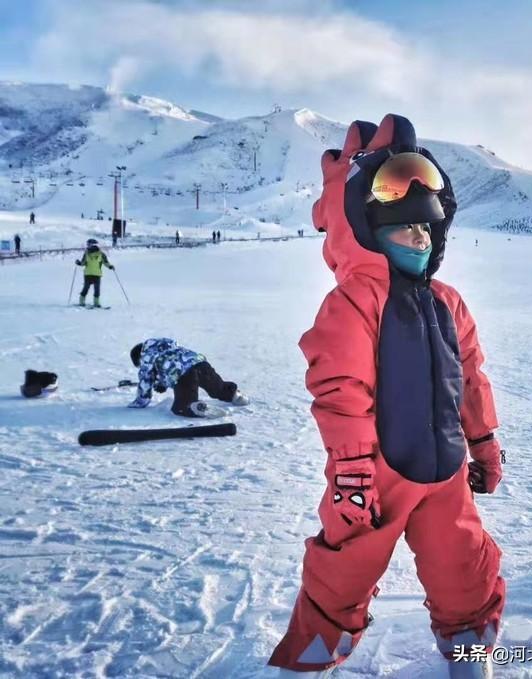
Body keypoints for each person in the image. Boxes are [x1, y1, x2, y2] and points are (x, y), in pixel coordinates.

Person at [268, 115, 505, 678]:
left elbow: (470, 379)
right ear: (370, 232)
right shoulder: (354, 302)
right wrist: (351, 469)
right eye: (405, 231)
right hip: (373, 476)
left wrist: (485, 444)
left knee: (463, 566)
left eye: (427, 231)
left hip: (444, 473)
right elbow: (338, 388)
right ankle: (307, 660)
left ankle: (470, 653)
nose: (419, 240)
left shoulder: (449, 302)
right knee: (344, 571)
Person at [128, 338, 249, 416]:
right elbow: (168, 363)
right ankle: (234, 395)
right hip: (200, 363)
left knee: (181, 406)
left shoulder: (146, 358)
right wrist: (162, 383)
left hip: (183, 375)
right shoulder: (167, 346)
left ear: (139, 358)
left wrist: (140, 402)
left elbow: (146, 382)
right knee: (218, 388)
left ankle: (194, 408)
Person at [75, 238, 114, 307]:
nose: (87, 246)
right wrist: (79, 263)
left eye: (88, 244)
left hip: (97, 274)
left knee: (97, 290)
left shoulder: (101, 254)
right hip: (88, 274)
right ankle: (81, 302)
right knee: (86, 288)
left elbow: (105, 262)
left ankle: (96, 303)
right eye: (87, 244)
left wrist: (110, 266)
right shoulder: (86, 254)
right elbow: (83, 263)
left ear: (93, 245)